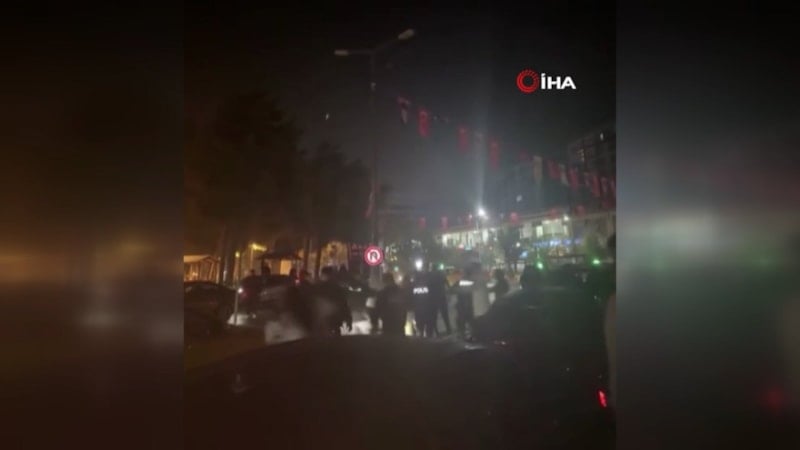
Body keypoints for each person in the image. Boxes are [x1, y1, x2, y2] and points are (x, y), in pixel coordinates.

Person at [314, 266, 352, 335]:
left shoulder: (316, 288)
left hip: (320, 322)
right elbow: (344, 306)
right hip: (335, 321)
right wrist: (348, 320)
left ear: (323, 275)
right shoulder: (338, 289)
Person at [428, 269, 451, 336]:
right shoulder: (441, 276)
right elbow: (448, 284)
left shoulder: (431, 277)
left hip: (433, 298)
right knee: (445, 315)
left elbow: (428, 286)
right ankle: (448, 329)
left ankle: (436, 331)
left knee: (434, 316)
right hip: (441, 297)